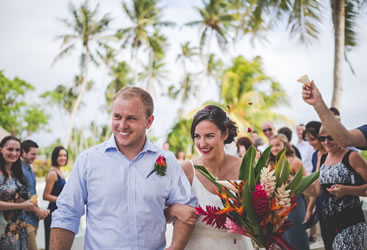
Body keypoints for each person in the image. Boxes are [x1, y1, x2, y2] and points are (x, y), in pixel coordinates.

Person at [50, 86, 197, 249]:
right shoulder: (88, 160)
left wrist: (175, 247)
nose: (122, 125)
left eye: (131, 118)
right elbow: (66, 214)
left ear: (149, 121)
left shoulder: (167, 161)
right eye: (117, 117)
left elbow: (188, 209)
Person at [165, 105, 254, 249]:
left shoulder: (245, 168)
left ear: (224, 134)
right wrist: (174, 210)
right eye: (197, 136)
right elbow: (163, 215)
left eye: (209, 136)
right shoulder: (186, 170)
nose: (202, 144)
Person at [305, 126, 367, 249]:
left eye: (330, 137)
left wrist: (347, 190)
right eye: (322, 138)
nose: (326, 142)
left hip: (350, 223)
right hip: (328, 223)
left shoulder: (352, 157)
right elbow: (317, 190)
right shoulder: (321, 158)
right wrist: (297, 186)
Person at [269, 134, 309, 250]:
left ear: (285, 146)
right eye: (272, 146)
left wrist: (293, 181)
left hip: (294, 204)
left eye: (278, 145)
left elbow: (306, 185)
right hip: (278, 206)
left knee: (297, 237)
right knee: (284, 241)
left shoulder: (295, 161)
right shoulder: (271, 163)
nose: (275, 148)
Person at [302, 81, 367, 150]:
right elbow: (345, 139)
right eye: (322, 138)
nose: (326, 142)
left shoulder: (351, 155)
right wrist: (317, 103)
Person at [0, 135, 36, 249]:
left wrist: (23, 199)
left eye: (17, 150)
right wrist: (21, 205)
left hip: (20, 228)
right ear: (1, 149)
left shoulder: (16, 172)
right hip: (3, 230)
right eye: (10, 149)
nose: (14, 153)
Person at [21, 140, 50, 250]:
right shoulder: (18, 170)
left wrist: (38, 211)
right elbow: (20, 197)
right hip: (24, 221)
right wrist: (38, 211)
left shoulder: (29, 168)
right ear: (23, 152)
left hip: (33, 219)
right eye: (33, 154)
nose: (35, 157)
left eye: (36, 154)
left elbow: (31, 194)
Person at [43, 146, 68, 250]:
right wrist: (63, 201)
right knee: (52, 245)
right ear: (55, 157)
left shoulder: (59, 172)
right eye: (60, 155)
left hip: (59, 212)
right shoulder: (53, 173)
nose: (63, 158)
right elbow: (45, 195)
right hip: (53, 213)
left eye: (65, 155)